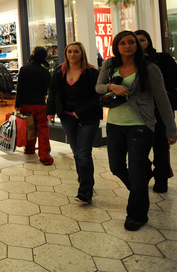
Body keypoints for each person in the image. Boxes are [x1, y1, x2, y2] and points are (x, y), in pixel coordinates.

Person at [96, 31, 177, 231]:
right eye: (122, 43)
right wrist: (111, 87)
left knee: (137, 171)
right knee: (116, 166)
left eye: (131, 42)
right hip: (114, 124)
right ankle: (139, 187)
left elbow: (162, 99)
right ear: (117, 46)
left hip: (141, 125)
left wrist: (171, 128)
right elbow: (98, 87)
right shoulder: (110, 64)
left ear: (138, 45)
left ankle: (136, 214)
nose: (128, 46)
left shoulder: (150, 69)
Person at [47, 42, 102, 203]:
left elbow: (97, 97)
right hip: (67, 117)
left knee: (84, 153)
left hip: (88, 118)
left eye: (76, 51)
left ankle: (85, 191)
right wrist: (50, 111)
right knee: (77, 152)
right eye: (70, 51)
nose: (72, 54)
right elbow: (53, 92)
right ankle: (85, 179)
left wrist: (81, 111)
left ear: (81, 53)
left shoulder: (91, 72)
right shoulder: (59, 71)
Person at [135, 29, 177, 193]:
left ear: (149, 42)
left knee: (161, 147)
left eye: (142, 40)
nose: (139, 43)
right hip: (139, 111)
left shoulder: (162, 58)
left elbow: (174, 78)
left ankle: (162, 178)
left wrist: (153, 82)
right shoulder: (130, 62)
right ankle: (146, 172)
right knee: (139, 147)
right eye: (135, 40)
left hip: (160, 109)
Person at [15, 46, 54, 165]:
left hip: (26, 104)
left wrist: (17, 104)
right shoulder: (46, 73)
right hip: (41, 104)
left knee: (29, 126)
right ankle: (44, 155)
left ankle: (30, 149)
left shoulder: (24, 69)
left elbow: (20, 88)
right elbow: (49, 90)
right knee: (42, 129)